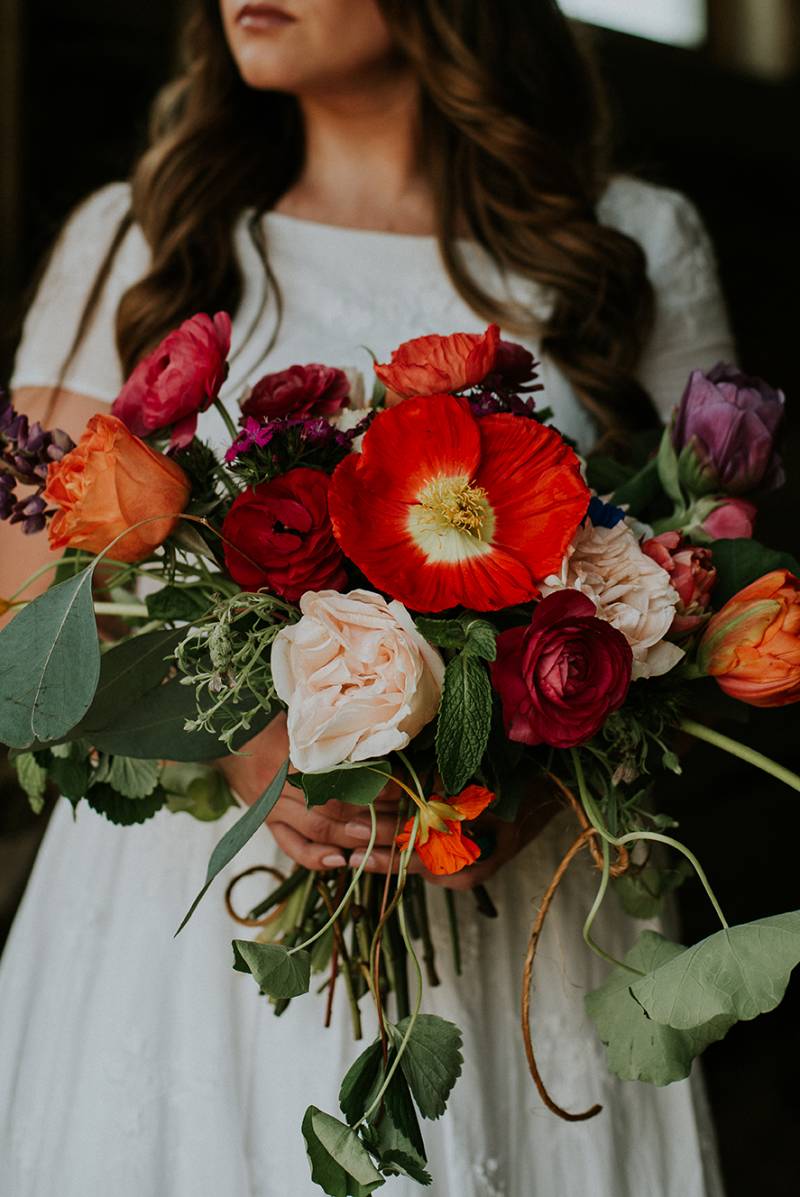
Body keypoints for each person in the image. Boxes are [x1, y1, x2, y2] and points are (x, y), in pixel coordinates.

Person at [0, 2, 735, 1194]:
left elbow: (696, 587)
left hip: (522, 927)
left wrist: (533, 793)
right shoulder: (141, 237)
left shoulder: (629, 241)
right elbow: (26, 586)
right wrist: (238, 740)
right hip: (195, 930)